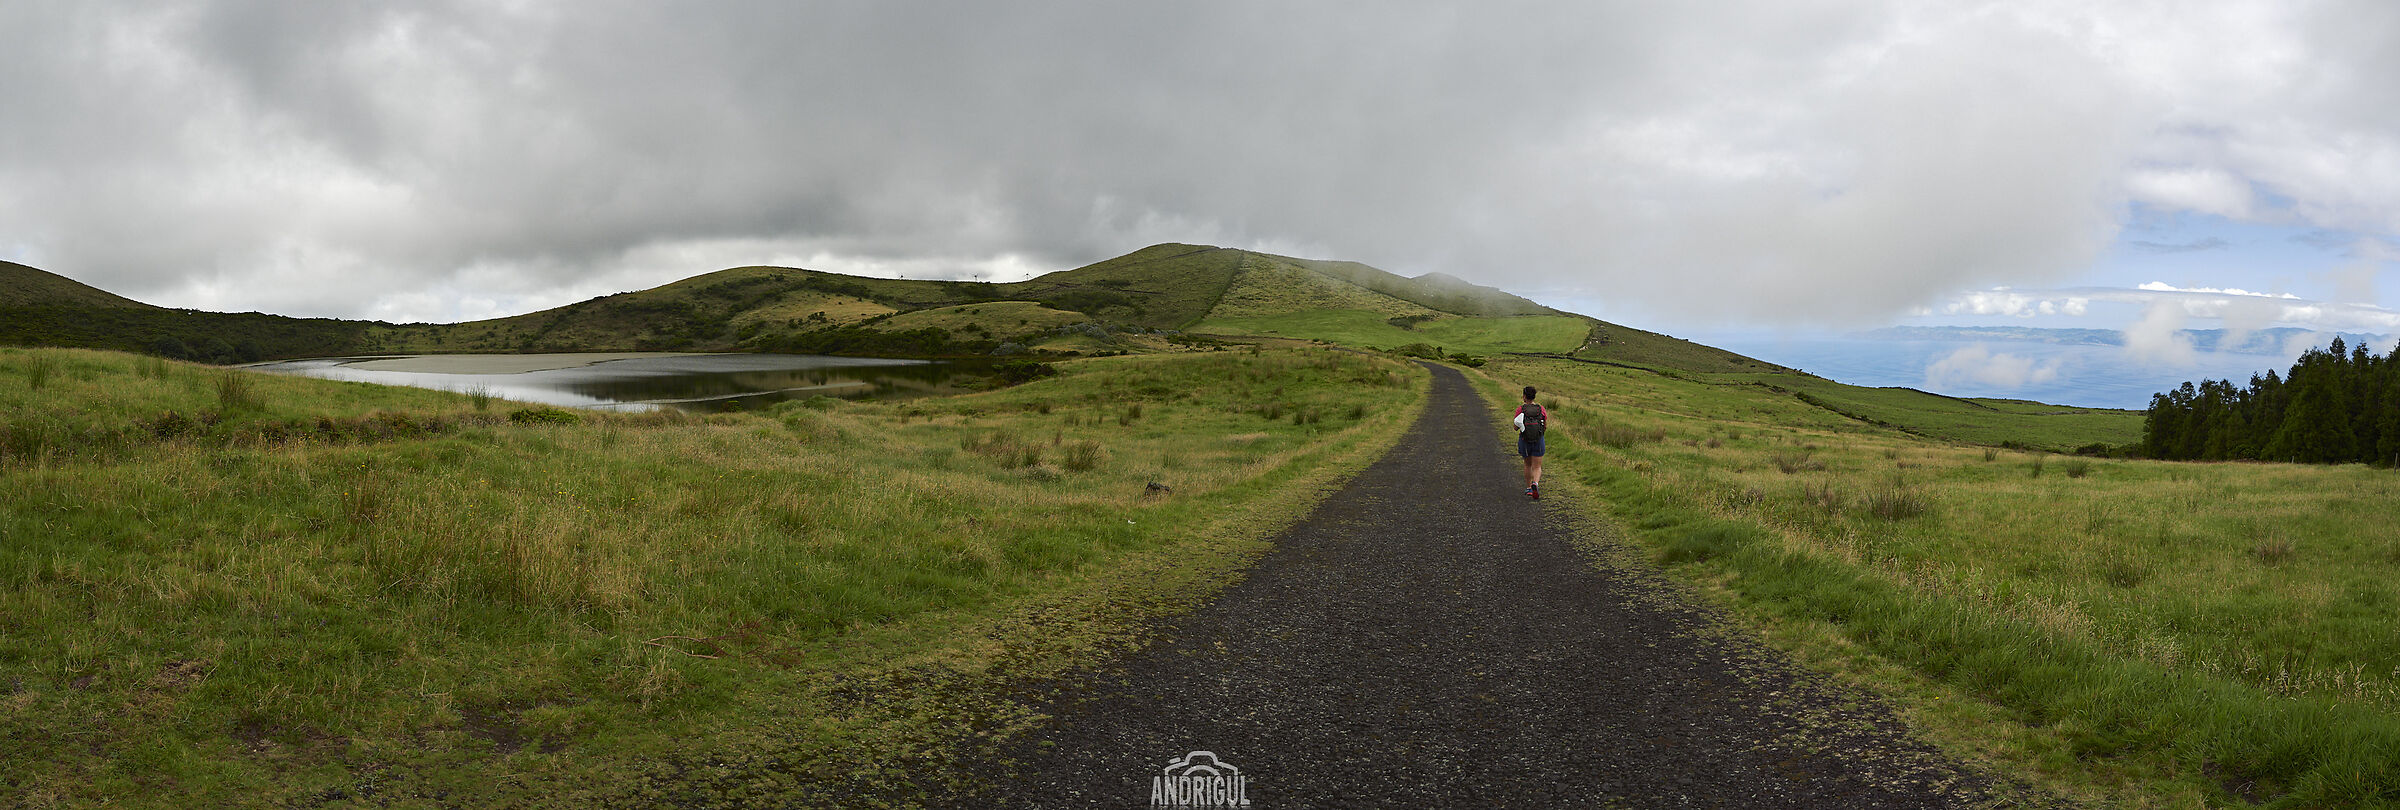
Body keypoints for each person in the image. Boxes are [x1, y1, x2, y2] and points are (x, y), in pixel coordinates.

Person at [1513, 386, 1549, 499]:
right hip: (1538, 440)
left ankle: (1529, 488)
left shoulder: (1520, 409)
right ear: (1534, 396)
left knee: (1527, 464)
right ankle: (1535, 483)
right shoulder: (1541, 409)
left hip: (1525, 440)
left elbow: (1515, 427)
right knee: (1537, 466)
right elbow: (1545, 426)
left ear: (1524, 396)